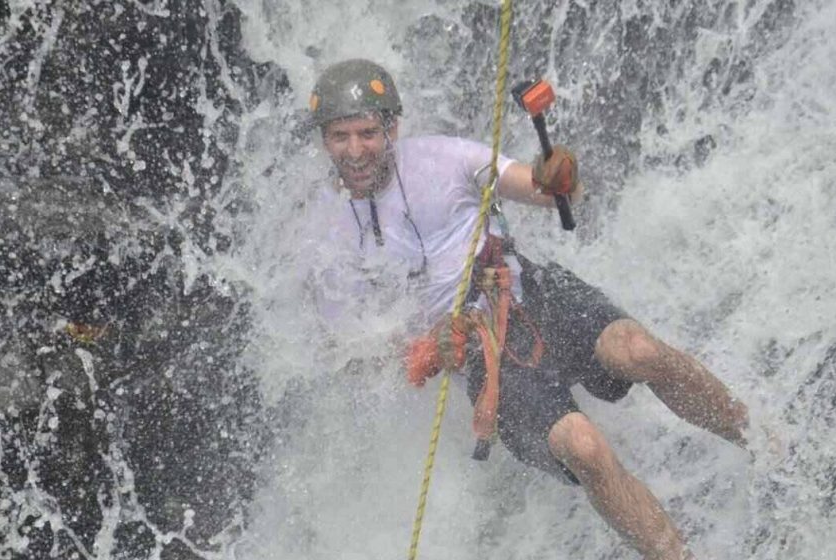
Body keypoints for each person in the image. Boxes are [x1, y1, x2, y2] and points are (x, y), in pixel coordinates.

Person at [304, 59, 749, 560]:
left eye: (367, 133)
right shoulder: (325, 233)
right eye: (341, 136)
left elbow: (546, 188)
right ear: (324, 139)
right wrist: (428, 350)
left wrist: (559, 175)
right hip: (485, 355)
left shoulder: (443, 159)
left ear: (392, 127)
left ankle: (763, 441)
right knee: (585, 448)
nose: (357, 150)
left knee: (639, 350)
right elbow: (354, 354)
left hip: (531, 291)